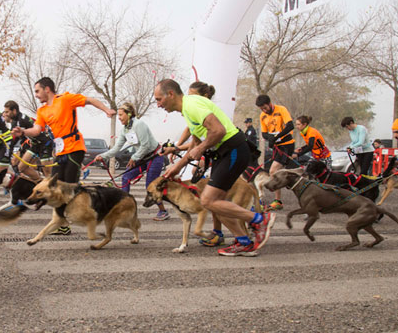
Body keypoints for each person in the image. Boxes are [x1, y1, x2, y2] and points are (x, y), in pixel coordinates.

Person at [156, 79, 275, 257]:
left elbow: (218, 131)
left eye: (159, 99)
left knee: (208, 200)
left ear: (170, 94)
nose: (158, 105)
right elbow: (194, 143)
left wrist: (201, 148)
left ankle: (260, 220)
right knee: (216, 204)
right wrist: (176, 167)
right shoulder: (187, 110)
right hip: (223, 153)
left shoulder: (191, 105)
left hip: (233, 149)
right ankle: (244, 242)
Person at [11, 76, 115, 235]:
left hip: (74, 147)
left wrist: (107, 110)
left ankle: (95, 206)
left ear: (47, 89)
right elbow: (37, 129)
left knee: (69, 187)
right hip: (59, 151)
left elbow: (90, 100)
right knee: (55, 187)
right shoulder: (42, 110)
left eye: (38, 91)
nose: (36, 95)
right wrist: (23, 132)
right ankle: (64, 222)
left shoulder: (66, 99)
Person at [94, 102, 169, 220]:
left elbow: (145, 145)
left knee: (150, 187)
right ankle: (126, 208)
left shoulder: (139, 125)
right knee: (126, 177)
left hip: (154, 157)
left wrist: (134, 157)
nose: (119, 118)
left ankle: (163, 211)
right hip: (142, 158)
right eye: (118, 115)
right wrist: (103, 156)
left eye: (121, 115)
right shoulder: (124, 130)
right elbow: (117, 148)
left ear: (129, 114)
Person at [255, 94, 294, 210]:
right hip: (277, 147)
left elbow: (290, 126)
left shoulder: (281, 109)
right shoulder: (262, 116)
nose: (264, 110)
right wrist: (270, 139)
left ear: (269, 103)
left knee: (273, 170)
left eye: (265, 108)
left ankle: (278, 201)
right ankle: (280, 197)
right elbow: (264, 133)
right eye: (261, 109)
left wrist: (276, 137)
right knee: (280, 173)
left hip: (287, 145)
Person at [4, 100, 53, 182]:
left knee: (48, 172)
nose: (5, 114)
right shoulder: (15, 121)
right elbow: (14, 138)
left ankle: (53, 189)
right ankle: (39, 182)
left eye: (7, 112)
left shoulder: (22, 120)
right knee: (21, 167)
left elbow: (15, 139)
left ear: (14, 110)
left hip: (45, 143)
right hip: (34, 144)